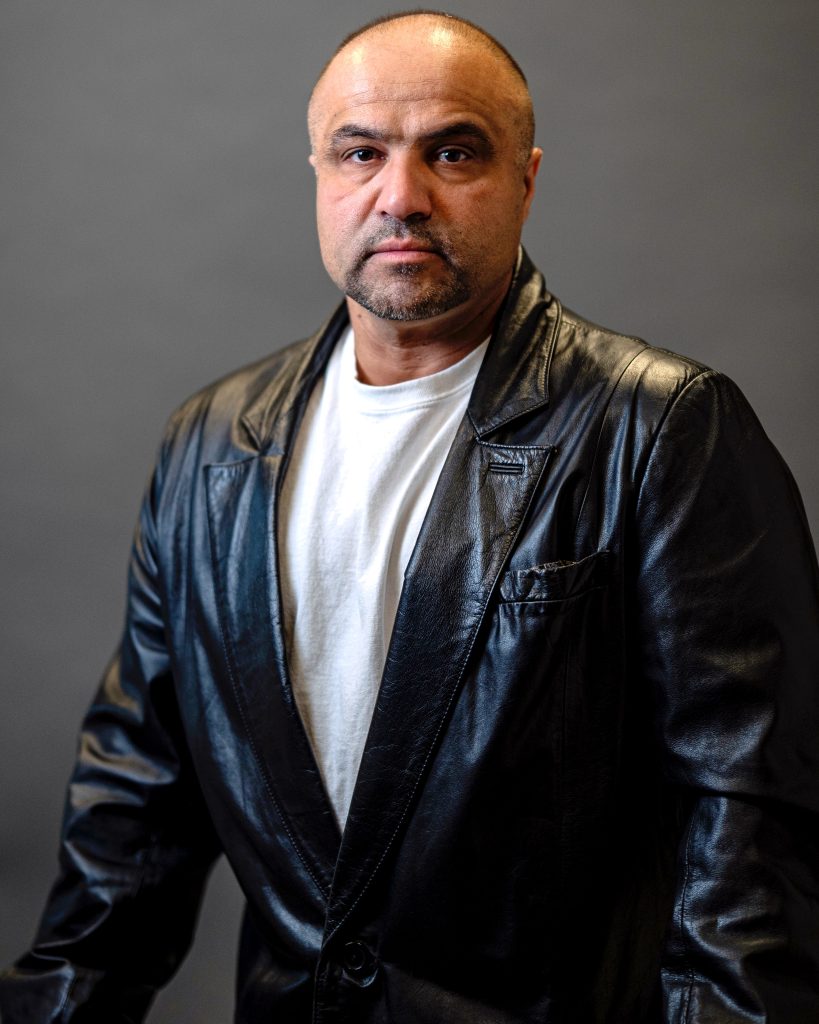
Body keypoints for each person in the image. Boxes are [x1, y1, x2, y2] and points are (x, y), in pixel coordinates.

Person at [2, 10, 819, 1023]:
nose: (400, 196)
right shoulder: (211, 445)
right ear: (318, 173)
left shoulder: (661, 429)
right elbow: (135, 803)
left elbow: (751, 824)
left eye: (453, 152)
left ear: (525, 178)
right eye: (360, 153)